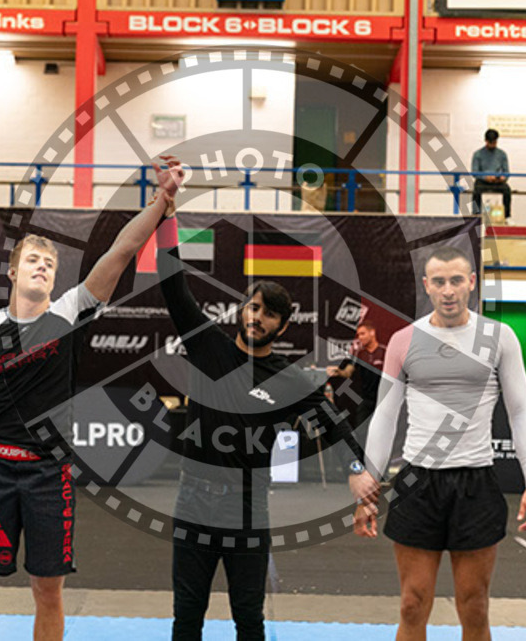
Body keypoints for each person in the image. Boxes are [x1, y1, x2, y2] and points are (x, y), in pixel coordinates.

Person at [0, 176, 178, 641]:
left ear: (55, 277)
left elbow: (121, 250)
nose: (41, 267)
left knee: (47, 591)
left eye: (49, 263)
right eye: (32, 260)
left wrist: (160, 201)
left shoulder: (70, 313)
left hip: (49, 476)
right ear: (13, 273)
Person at [154, 159, 370, 641]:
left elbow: (334, 422)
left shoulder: (291, 380)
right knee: (186, 617)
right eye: (253, 307)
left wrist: (358, 473)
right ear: (242, 309)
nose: (258, 318)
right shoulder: (208, 346)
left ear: (282, 326)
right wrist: (167, 211)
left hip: (249, 508)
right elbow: (172, 283)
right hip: (193, 500)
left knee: (249, 619)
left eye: (269, 314)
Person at [352, 245, 526, 641]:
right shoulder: (405, 340)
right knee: (411, 603)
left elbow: (521, 412)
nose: (449, 290)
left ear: (472, 283)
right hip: (417, 484)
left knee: (474, 605)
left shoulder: (499, 337)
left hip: (476, 483)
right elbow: (386, 416)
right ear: (427, 286)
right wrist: (368, 487)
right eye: (439, 282)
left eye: (457, 280)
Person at [326, 321, 387, 432]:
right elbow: (348, 372)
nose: (360, 337)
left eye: (363, 334)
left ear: (372, 333)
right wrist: (339, 372)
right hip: (366, 399)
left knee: (382, 431)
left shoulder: (385, 352)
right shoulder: (359, 354)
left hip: (383, 399)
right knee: (360, 430)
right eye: (358, 335)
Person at [471, 128, 512, 223]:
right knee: (476, 191)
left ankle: (507, 216)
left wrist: (503, 177)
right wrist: (485, 177)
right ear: (486, 141)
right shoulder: (478, 154)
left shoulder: (502, 154)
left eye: (494, 142)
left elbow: (506, 171)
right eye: (491, 142)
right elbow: (474, 172)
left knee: (507, 191)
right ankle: (476, 215)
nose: (493, 144)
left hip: (497, 181)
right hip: (483, 181)